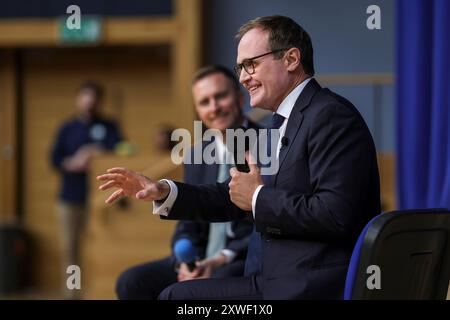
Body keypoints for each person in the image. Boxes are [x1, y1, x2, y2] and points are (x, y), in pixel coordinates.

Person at [97, 15, 380, 300]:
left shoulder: (330, 115)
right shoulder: (280, 123)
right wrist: (163, 191)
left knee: (177, 299)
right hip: (268, 280)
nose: (243, 77)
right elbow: (233, 196)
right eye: (240, 68)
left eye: (251, 64)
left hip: (304, 287)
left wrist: (257, 197)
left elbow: (335, 214)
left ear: (292, 59)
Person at [115, 65, 256, 300]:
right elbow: (187, 224)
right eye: (204, 102)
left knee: (185, 294)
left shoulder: (269, 145)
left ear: (240, 98)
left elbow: (267, 219)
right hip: (200, 258)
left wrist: (222, 258)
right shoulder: (195, 156)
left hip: (242, 259)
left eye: (221, 96)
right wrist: (184, 263)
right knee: (131, 282)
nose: (214, 107)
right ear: (198, 111)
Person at [50, 81, 122, 296]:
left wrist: (98, 152)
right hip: (70, 198)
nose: (89, 103)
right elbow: (55, 159)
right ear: (78, 99)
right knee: (71, 248)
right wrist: (73, 162)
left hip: (100, 198)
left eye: (93, 98)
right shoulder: (67, 128)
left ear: (99, 102)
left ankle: (99, 290)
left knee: (100, 246)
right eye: (85, 97)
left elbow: (122, 149)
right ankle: (73, 292)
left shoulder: (110, 126)